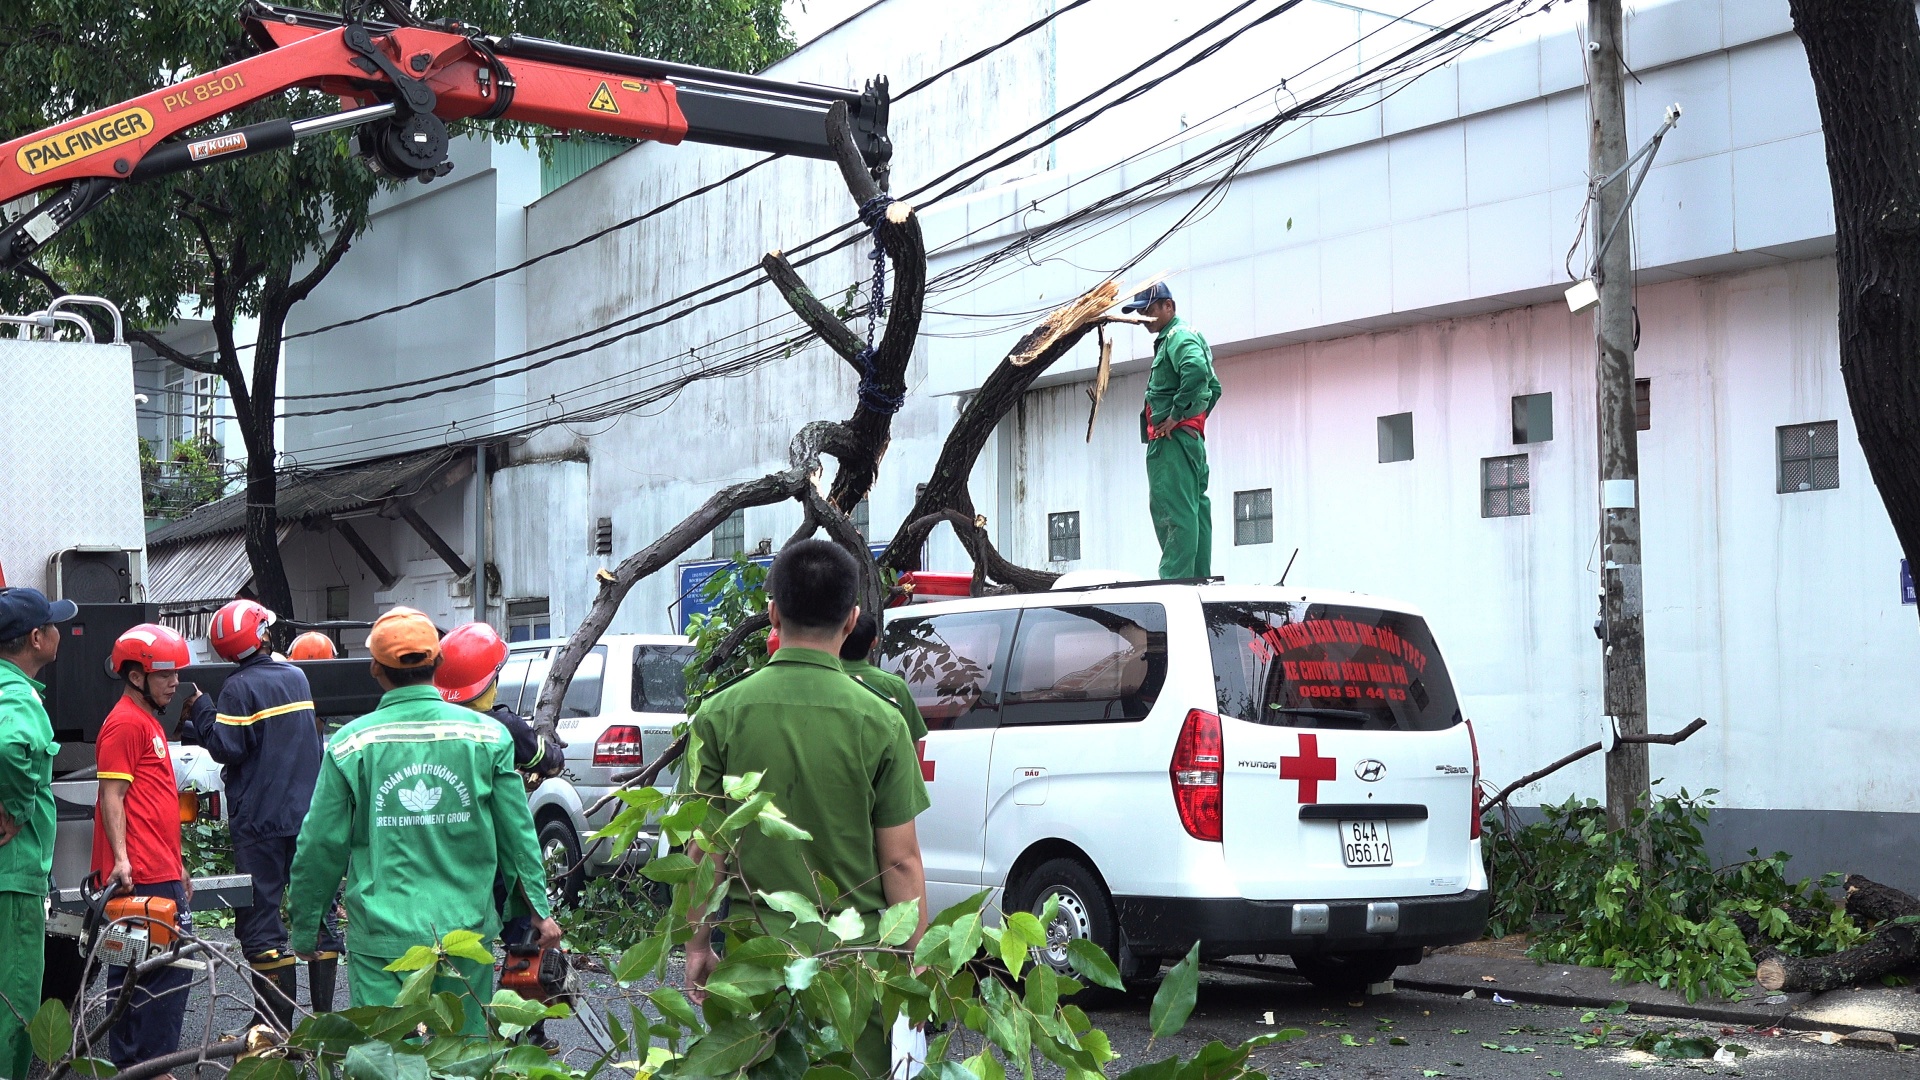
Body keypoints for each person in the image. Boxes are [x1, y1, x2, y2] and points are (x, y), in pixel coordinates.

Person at [684, 539, 931, 1075]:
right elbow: (902, 864)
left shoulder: (718, 714)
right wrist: (916, 974)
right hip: (856, 968)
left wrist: (698, 943)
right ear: (852, 619)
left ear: (772, 612)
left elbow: (705, 849)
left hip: (756, 961)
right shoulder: (883, 722)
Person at [286, 607, 560, 1034]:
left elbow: (320, 845)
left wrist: (305, 926)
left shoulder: (351, 744)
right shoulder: (488, 738)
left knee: (391, 1059)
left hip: (382, 944)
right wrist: (539, 913)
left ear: (376, 669)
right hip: (465, 939)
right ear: (438, 664)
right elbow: (517, 836)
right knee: (464, 1060)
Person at [194, 599, 341, 1027]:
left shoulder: (238, 689)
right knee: (318, 913)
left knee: (262, 921)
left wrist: (202, 712)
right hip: (306, 817)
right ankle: (323, 1026)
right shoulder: (296, 677)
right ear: (260, 636)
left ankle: (274, 1032)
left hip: (260, 821)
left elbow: (228, 748)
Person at [95, 624, 206, 1070]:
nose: (175, 682)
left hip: (158, 870)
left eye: (176, 672)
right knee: (161, 976)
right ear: (137, 675)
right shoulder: (125, 723)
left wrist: (177, 866)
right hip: (141, 876)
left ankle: (135, 1067)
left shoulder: (144, 721)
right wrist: (121, 860)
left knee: (135, 974)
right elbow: (111, 796)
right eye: (164, 674)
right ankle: (151, 1069)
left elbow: (151, 805)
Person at [0, 589, 75, 1079]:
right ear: (35, 638)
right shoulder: (16, 693)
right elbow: (10, 745)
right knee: (16, 1002)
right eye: (53, 625)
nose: (59, 632)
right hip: (14, 877)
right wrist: (17, 808)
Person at [1123, 282, 1222, 580]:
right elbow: (1214, 388)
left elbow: (1197, 371)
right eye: (1142, 312)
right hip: (1188, 440)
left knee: (1173, 514)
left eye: (1150, 310)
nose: (1145, 318)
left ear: (1170, 306)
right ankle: (1198, 581)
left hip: (1170, 443)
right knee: (1194, 511)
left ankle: (1174, 587)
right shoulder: (1189, 336)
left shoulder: (1176, 338)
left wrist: (1177, 417)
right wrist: (1193, 420)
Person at [837, 612, 925, 741]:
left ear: (840, 637)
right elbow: (912, 744)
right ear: (874, 642)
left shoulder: (820, 682)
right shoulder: (895, 686)